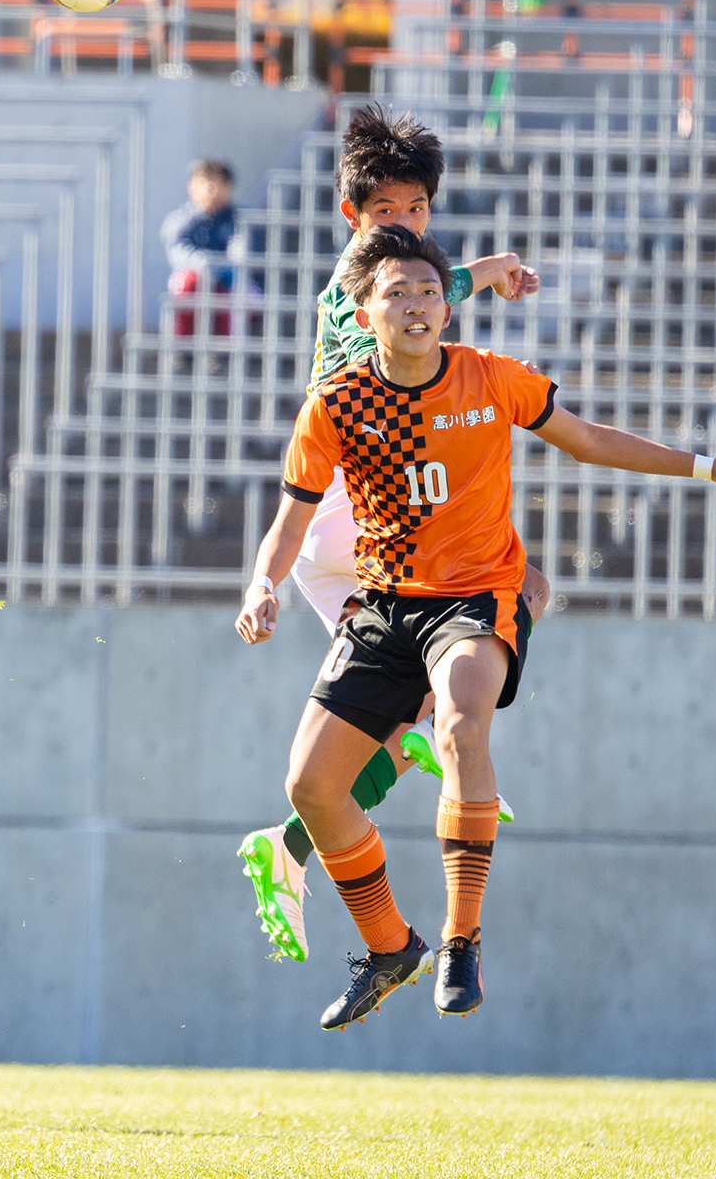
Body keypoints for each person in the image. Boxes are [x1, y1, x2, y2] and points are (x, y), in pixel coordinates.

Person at [236, 223, 716, 1027]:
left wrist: (708, 466)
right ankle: (392, 948)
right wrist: (261, 584)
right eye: (397, 293)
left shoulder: (492, 379)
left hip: (476, 598)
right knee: (311, 788)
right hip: (384, 606)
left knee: (460, 726)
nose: (416, 305)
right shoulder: (338, 404)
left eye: (428, 291)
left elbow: (588, 440)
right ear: (366, 311)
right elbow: (293, 516)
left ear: (447, 311)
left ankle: (461, 939)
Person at [236, 105, 544, 965]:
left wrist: (486, 277)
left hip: (357, 522)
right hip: (355, 509)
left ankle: (290, 849)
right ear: (354, 221)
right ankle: (435, 741)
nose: (402, 226)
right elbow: (420, 300)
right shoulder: (357, 285)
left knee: (380, 721)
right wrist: (491, 271)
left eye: (415, 211)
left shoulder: (402, 283)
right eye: (386, 214)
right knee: (509, 603)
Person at [162, 159, 243, 337]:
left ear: (229, 187)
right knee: (186, 285)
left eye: (218, 182)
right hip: (195, 282)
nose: (211, 188)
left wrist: (218, 271)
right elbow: (178, 253)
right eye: (204, 181)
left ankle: (225, 352)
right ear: (190, 186)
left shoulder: (241, 220)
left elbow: (243, 256)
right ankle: (182, 349)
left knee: (238, 292)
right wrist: (203, 268)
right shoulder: (179, 220)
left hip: (230, 283)